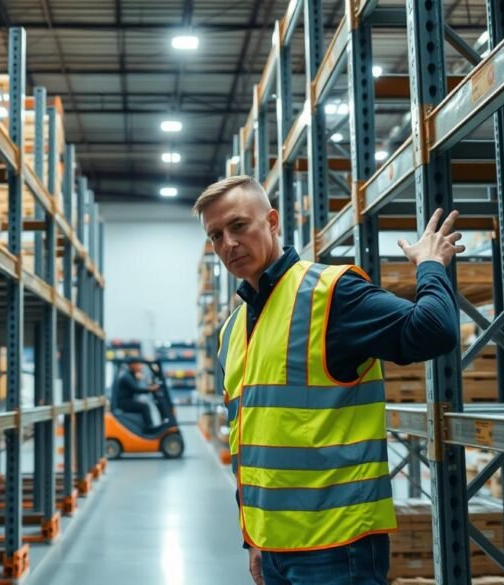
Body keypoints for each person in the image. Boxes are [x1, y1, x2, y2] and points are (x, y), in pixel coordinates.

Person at [194, 175, 463, 585]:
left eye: (238, 226)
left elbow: (434, 330)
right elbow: (245, 440)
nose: (227, 244)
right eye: (215, 235)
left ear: (271, 221)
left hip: (339, 547)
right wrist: (255, 540)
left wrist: (429, 265)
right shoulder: (233, 330)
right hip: (275, 547)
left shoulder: (331, 293)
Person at [113, 359, 160, 431]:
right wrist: (150, 389)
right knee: (144, 406)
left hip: (127, 400)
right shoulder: (126, 376)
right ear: (132, 365)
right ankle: (149, 428)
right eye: (138, 364)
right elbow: (136, 389)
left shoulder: (131, 374)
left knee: (143, 404)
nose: (140, 367)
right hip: (124, 402)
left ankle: (145, 427)